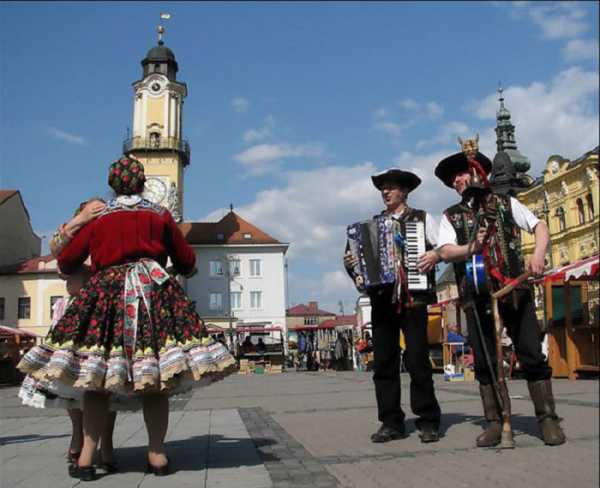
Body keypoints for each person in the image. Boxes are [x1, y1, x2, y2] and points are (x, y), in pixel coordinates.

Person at [18, 156, 236, 481]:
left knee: (97, 380)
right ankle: (157, 454)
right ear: (142, 181)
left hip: (104, 300)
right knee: (155, 382)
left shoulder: (99, 217)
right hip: (152, 297)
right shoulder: (159, 214)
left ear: (111, 184)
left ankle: (86, 459)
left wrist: (80, 225)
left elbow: (66, 261)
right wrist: (182, 268)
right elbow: (186, 259)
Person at [434, 143, 565, 446]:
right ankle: (495, 421)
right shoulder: (451, 216)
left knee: (532, 353)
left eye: (460, 174)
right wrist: (470, 248)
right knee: (485, 363)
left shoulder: (505, 203)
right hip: (476, 297)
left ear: (477, 172)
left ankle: (547, 419)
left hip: (514, 289)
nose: (456, 181)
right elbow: (444, 251)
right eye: (452, 179)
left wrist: (539, 254)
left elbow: (540, 226)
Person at [18, 198, 119, 470]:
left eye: (103, 207)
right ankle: (79, 435)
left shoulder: (110, 233)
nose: (101, 210)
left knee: (104, 382)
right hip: (74, 314)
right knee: (72, 384)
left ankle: (105, 445)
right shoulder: (76, 234)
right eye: (94, 208)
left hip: (105, 315)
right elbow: (58, 255)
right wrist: (79, 220)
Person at [344, 168, 441, 443]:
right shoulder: (370, 226)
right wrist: (353, 267)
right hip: (382, 302)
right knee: (384, 363)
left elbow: (443, 248)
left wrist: (433, 255)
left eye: (391, 188)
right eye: (383, 188)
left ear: (405, 192)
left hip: (414, 298)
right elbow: (352, 258)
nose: (386, 192)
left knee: (418, 360)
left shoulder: (421, 220)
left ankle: (428, 420)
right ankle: (391, 422)